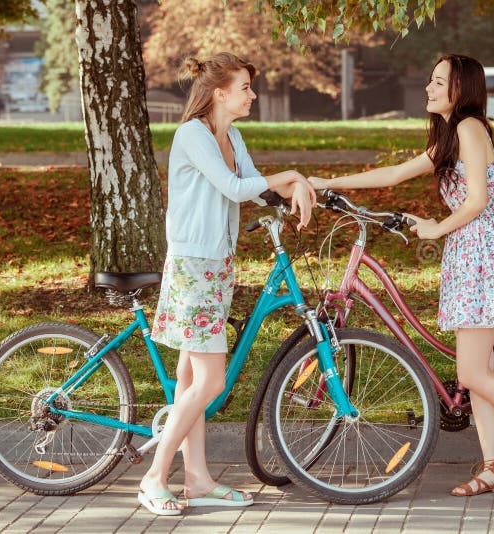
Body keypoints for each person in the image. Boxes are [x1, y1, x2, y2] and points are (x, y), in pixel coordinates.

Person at [308, 54, 494, 497]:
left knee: (471, 373)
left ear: (460, 88)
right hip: (469, 252)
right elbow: (394, 174)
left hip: (481, 252)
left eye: (437, 82)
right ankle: (493, 468)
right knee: (478, 370)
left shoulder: (469, 128)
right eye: (430, 80)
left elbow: (477, 201)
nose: (428, 89)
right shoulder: (452, 134)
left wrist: (434, 227)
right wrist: (324, 182)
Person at [138, 52, 316, 515]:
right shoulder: (192, 135)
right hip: (193, 265)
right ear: (219, 93)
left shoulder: (231, 135)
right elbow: (234, 188)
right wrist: (293, 174)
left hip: (216, 263)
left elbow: (255, 186)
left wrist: (296, 188)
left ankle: (196, 479)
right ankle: (155, 477)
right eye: (245, 88)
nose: (252, 95)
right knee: (211, 380)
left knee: (191, 379)